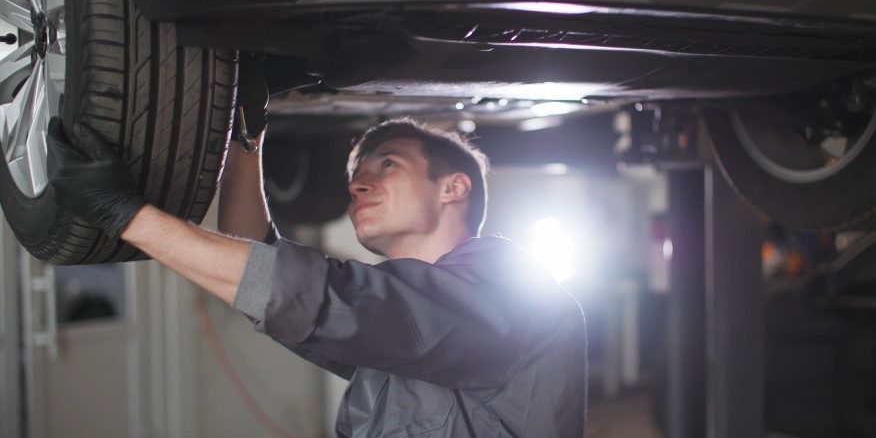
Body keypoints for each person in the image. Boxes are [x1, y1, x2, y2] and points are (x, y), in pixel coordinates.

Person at [47, 107, 588, 436]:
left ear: (453, 188)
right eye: (356, 174)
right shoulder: (402, 325)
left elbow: (316, 297)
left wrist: (129, 217)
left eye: (387, 164)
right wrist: (246, 131)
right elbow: (263, 263)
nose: (356, 185)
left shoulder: (511, 293)